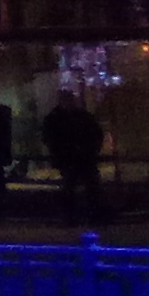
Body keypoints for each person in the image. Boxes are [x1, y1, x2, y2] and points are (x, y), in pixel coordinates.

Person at [43, 90, 107, 223]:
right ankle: (79, 216)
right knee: (76, 187)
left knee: (85, 187)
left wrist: (91, 150)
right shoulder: (63, 117)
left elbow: (96, 134)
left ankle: (88, 215)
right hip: (73, 158)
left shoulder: (58, 117)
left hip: (80, 157)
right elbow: (50, 138)